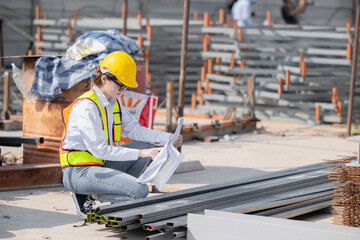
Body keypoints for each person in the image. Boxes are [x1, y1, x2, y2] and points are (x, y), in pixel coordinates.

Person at [59, 51, 183, 219]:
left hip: (100, 165)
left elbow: (135, 130)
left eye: (126, 86)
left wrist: (167, 138)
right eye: (121, 85)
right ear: (104, 79)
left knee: (143, 145)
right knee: (140, 190)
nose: (124, 90)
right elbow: (100, 150)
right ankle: (88, 194)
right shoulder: (86, 107)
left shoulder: (113, 103)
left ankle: (118, 190)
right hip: (79, 172)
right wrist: (142, 154)